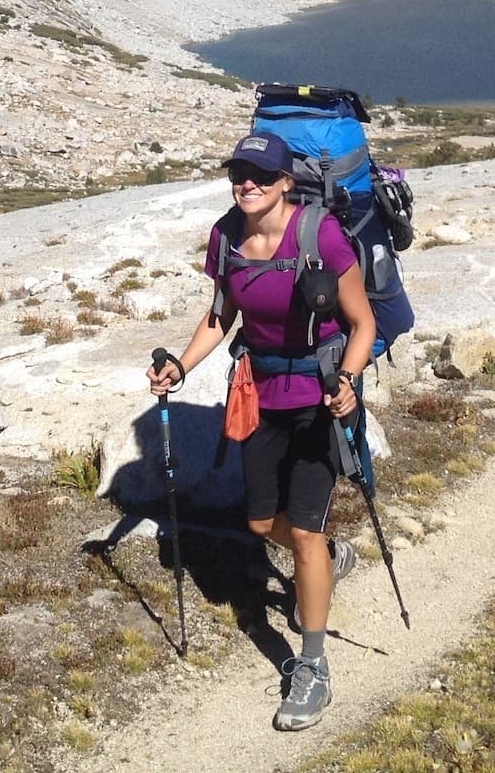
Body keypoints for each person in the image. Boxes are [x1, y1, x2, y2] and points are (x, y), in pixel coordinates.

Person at [147, 130, 376, 732]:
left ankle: (313, 665)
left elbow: (362, 322)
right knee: (257, 523)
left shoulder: (321, 234)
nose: (245, 183)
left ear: (283, 183)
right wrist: (181, 365)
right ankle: (327, 557)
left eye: (258, 174)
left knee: (301, 530)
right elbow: (221, 314)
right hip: (261, 394)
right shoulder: (226, 236)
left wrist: (349, 380)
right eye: (237, 174)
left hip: (320, 398)